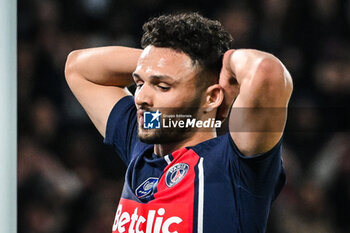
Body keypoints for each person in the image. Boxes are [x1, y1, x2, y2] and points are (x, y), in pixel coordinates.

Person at [65, 12, 292, 233]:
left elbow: (266, 72)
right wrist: (161, 63)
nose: (141, 98)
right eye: (140, 83)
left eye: (163, 86)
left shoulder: (235, 165)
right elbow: (78, 67)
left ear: (211, 97)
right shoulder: (143, 142)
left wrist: (222, 65)